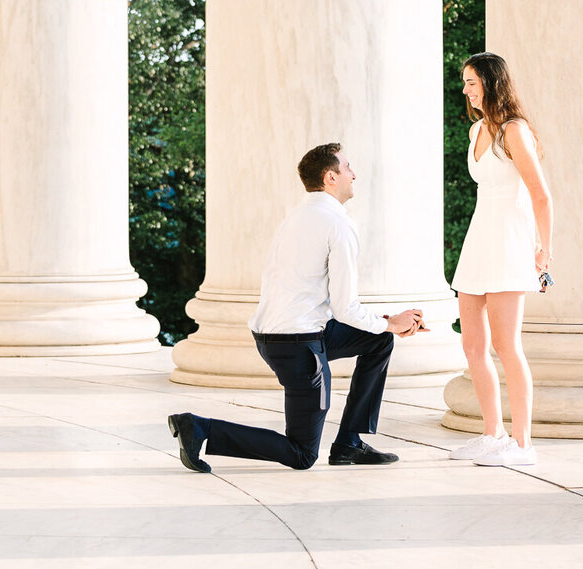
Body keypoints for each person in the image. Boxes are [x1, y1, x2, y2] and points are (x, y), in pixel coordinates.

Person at [168, 142, 426, 472]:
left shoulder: (298, 216)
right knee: (302, 454)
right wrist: (392, 323)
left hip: (283, 335)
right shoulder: (338, 224)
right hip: (298, 345)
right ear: (331, 177)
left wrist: (383, 324)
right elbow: (345, 307)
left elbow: (321, 301)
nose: (354, 175)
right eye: (348, 168)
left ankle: (349, 443)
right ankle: (199, 428)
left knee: (377, 341)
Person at [449, 52, 552, 467]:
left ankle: (523, 444)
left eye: (472, 82)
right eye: (465, 83)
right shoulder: (476, 129)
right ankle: (492, 434)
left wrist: (545, 250)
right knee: (473, 346)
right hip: (479, 239)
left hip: (509, 240)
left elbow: (542, 196)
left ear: (492, 82)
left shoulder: (514, 130)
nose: (466, 90)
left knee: (508, 345)